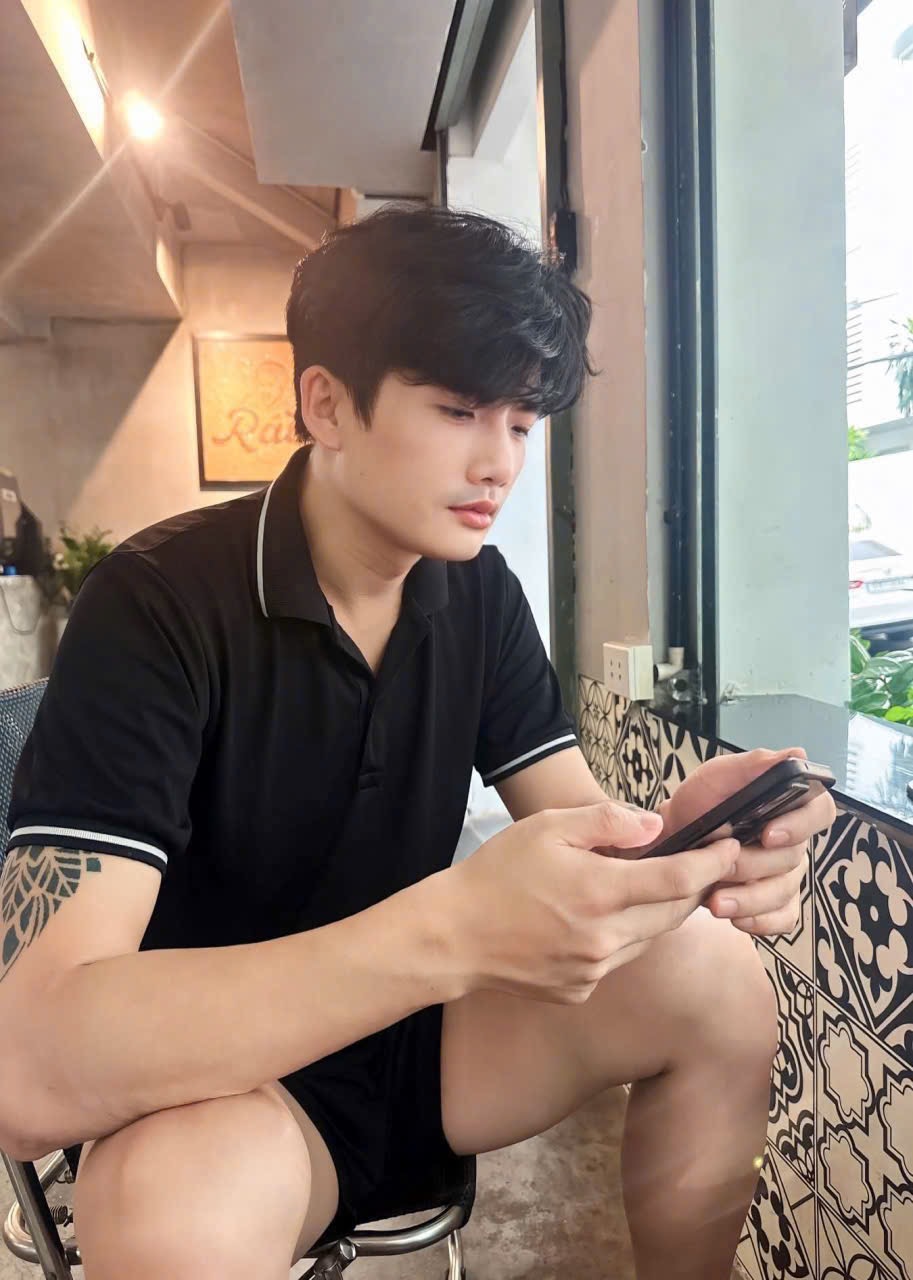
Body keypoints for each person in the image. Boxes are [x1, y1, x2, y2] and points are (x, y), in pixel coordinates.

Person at [0, 206, 835, 1280]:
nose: (499, 463)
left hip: (427, 1050)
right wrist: (447, 928)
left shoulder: (476, 592)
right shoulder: (158, 604)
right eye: (458, 410)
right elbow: (27, 1070)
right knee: (169, 1209)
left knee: (714, 976)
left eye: (522, 423)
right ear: (325, 404)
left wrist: (683, 844)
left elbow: (576, 823)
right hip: (225, 1085)